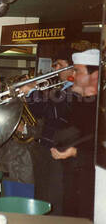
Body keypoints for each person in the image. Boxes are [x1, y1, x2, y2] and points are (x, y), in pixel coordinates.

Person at [19, 50, 75, 215]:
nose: (55, 68)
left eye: (60, 65)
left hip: (59, 147)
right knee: (43, 193)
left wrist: (32, 92)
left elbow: (55, 113)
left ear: (73, 69)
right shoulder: (61, 88)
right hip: (47, 145)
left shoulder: (75, 90)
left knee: (53, 194)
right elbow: (39, 113)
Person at [50, 48, 99, 220]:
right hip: (71, 176)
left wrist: (76, 152)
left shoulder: (100, 107)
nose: (72, 76)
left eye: (77, 71)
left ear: (94, 76)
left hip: (93, 185)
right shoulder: (77, 102)